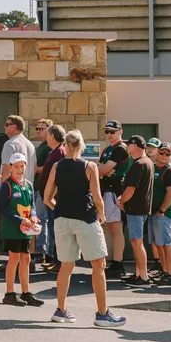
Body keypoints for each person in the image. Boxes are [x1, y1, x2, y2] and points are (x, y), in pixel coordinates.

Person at [43, 130, 125, 327]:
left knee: (66, 265)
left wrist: (59, 208)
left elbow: (47, 198)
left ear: (66, 145)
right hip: (85, 218)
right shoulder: (89, 166)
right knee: (98, 265)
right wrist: (102, 215)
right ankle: (102, 314)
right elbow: (97, 198)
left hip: (62, 219)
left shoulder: (57, 166)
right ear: (81, 146)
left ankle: (61, 310)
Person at [0, 155, 43, 307]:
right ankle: (9, 293)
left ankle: (26, 292)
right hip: (12, 229)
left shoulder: (29, 185)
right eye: (16, 166)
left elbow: (32, 206)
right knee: (14, 258)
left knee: (26, 259)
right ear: (10, 167)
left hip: (26, 230)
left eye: (22, 166)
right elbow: (1, 208)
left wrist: (34, 217)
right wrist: (19, 220)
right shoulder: (7, 185)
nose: (19, 169)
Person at [116, 135, 154, 285]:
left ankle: (143, 276)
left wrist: (121, 200)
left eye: (129, 144)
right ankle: (138, 273)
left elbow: (131, 189)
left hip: (136, 209)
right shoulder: (147, 162)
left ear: (136, 147)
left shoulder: (139, 164)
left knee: (137, 242)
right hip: (140, 209)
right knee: (137, 241)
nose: (127, 146)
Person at [98, 120, 129, 277]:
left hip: (115, 192)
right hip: (106, 191)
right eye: (107, 131)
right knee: (111, 228)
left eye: (113, 131)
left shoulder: (121, 149)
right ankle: (116, 262)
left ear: (120, 132)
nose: (109, 135)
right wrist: (102, 170)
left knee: (116, 229)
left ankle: (118, 264)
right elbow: (102, 168)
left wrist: (102, 170)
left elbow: (103, 168)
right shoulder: (107, 150)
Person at [35, 124, 67, 270]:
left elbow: (59, 178)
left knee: (57, 231)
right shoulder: (54, 152)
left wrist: (51, 195)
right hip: (49, 199)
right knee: (54, 230)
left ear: (53, 136)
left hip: (54, 200)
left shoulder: (59, 152)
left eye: (47, 134)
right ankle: (55, 260)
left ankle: (59, 262)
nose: (45, 137)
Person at [150, 142, 171, 286]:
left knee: (167, 244)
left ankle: (170, 274)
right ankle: (164, 270)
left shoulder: (170, 171)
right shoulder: (154, 168)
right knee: (159, 244)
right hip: (153, 213)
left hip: (164, 214)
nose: (164, 156)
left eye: (167, 154)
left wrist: (162, 210)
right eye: (162, 152)